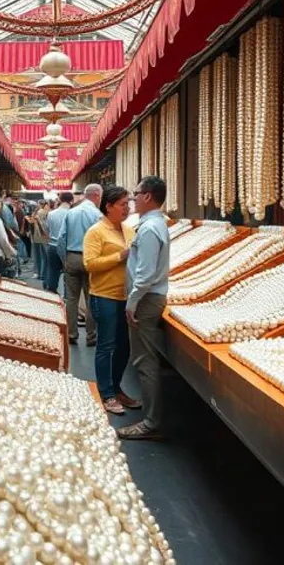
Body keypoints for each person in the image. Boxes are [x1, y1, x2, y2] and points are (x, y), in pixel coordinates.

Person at [118, 176, 171, 441]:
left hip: (146, 299)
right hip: (149, 296)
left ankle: (151, 422)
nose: (132, 198)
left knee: (144, 360)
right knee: (144, 359)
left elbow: (146, 273)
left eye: (136, 193)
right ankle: (152, 418)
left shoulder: (150, 229)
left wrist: (133, 301)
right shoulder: (153, 224)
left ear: (148, 196)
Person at [83, 186, 141, 415]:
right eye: (123, 204)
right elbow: (90, 264)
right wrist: (120, 256)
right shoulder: (96, 232)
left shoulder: (129, 230)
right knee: (106, 345)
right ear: (108, 206)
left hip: (125, 295)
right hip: (104, 296)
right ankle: (106, 394)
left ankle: (116, 388)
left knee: (124, 346)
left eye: (129, 204)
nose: (127, 208)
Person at [59, 183, 103, 346]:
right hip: (91, 260)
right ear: (97, 195)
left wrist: (65, 259)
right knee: (91, 298)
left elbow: (61, 238)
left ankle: (72, 334)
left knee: (71, 298)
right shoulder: (97, 215)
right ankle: (91, 336)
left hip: (72, 257)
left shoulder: (71, 213)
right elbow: (101, 240)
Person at [44, 192, 72, 292]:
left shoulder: (51, 214)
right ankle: (66, 299)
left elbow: (47, 229)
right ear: (71, 201)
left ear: (59, 200)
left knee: (52, 272)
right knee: (68, 275)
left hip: (52, 246)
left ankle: (51, 297)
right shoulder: (72, 213)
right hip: (67, 247)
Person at [32, 201, 51, 279]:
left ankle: (38, 273)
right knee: (44, 257)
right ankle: (43, 274)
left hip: (36, 237)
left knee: (37, 256)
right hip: (44, 237)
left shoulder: (37, 213)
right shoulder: (47, 212)